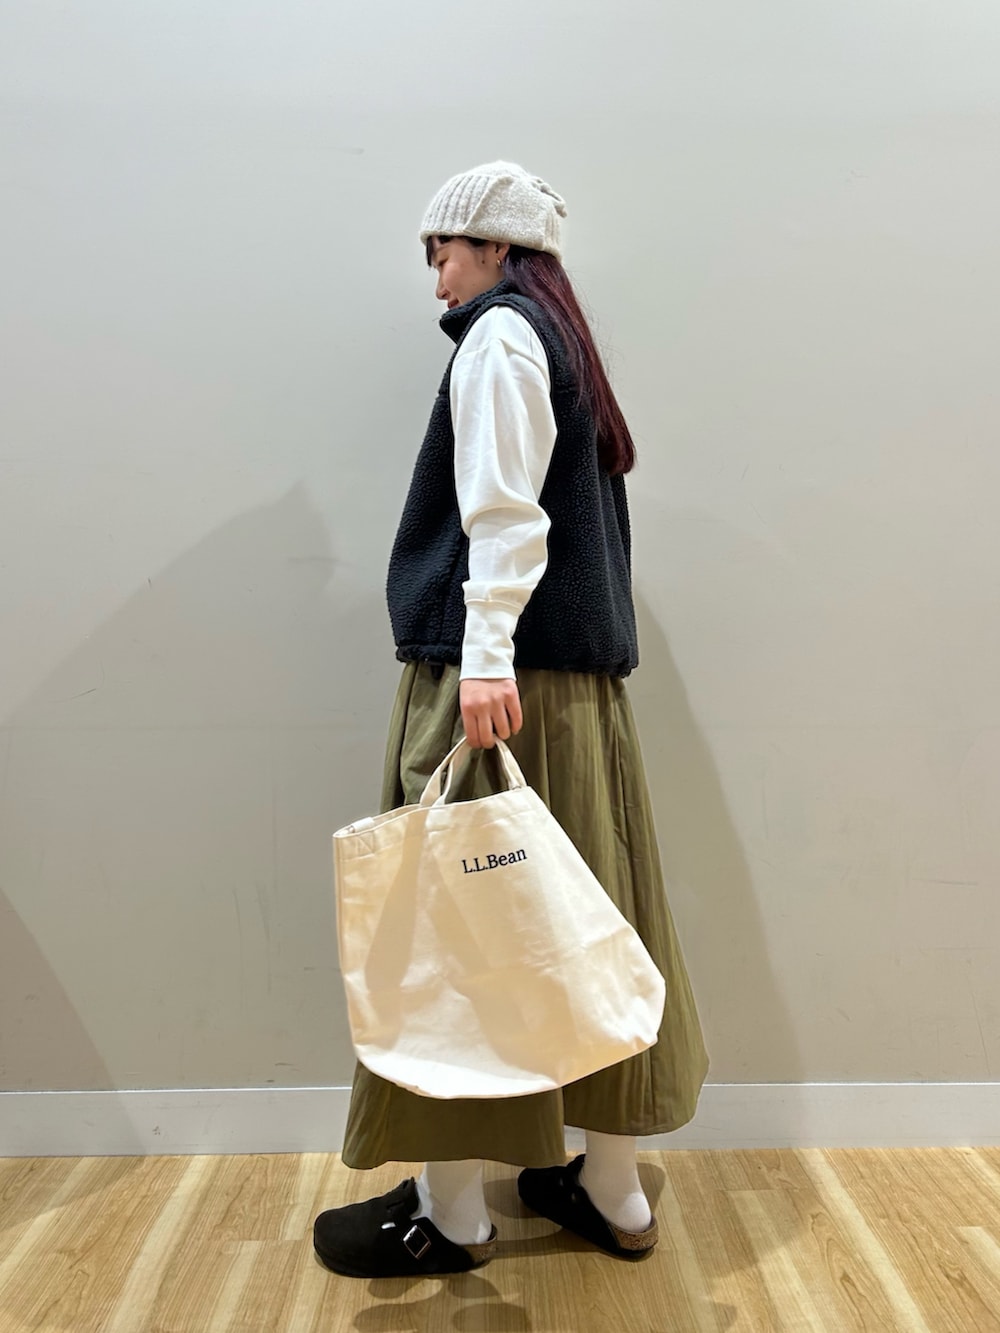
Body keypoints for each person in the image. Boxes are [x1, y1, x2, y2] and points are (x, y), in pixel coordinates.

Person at [313, 161, 709, 1279]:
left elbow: (504, 515)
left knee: (450, 935)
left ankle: (453, 1214)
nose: (434, 275)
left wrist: (484, 660)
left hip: (494, 687)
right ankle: (611, 1188)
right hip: (574, 699)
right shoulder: (559, 341)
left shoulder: (498, 338)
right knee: (590, 926)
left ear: (494, 247)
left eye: (441, 250)